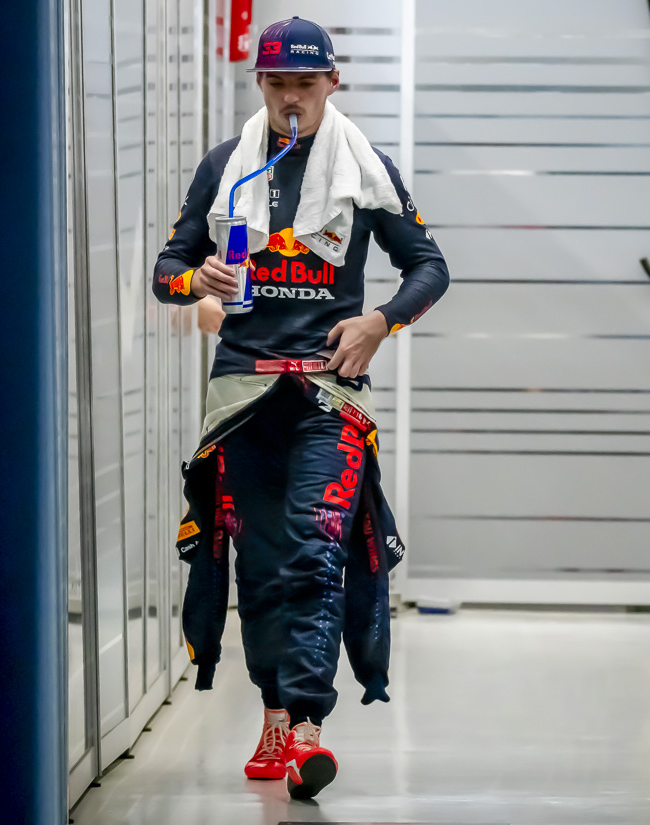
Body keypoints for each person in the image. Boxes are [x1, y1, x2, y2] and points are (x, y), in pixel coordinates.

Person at [151, 16, 449, 800]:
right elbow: (166, 269)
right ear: (260, 85)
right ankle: (274, 712)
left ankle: (310, 729)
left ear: (332, 85)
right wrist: (198, 281)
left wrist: (379, 321)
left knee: (319, 549)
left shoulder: (364, 167)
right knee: (259, 562)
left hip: (329, 392)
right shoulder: (227, 166)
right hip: (243, 393)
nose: (291, 98)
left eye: (305, 85)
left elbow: (429, 266)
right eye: (278, 83)